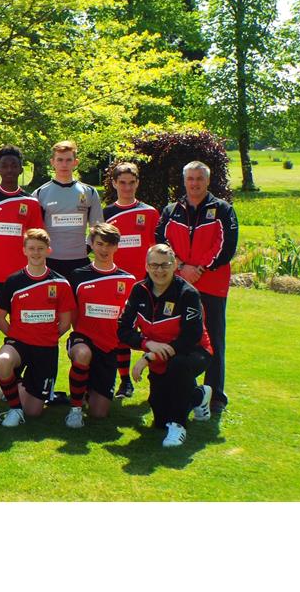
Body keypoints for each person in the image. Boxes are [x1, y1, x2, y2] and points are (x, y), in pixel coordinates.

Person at [156, 161, 238, 415]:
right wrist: (181, 266)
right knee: (178, 337)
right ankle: (183, 389)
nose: (194, 183)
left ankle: (215, 395)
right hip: (179, 283)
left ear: (208, 181)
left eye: (199, 178)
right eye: (190, 178)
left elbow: (226, 246)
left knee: (213, 339)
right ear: (184, 181)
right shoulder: (172, 210)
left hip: (212, 285)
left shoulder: (223, 209)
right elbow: (161, 241)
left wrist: (199, 268)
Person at [118, 243, 214, 448]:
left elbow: (191, 337)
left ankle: (178, 427)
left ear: (175, 265)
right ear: (146, 266)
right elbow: (123, 330)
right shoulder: (139, 290)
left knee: (178, 366)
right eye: (154, 265)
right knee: (160, 419)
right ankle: (198, 396)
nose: (159, 270)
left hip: (193, 352)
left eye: (165, 265)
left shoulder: (187, 293)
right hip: (160, 355)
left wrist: (149, 357)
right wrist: (147, 343)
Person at [0, 228, 76, 427]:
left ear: (48, 250)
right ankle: (14, 409)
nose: (36, 252)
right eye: (31, 248)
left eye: (40, 248)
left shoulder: (60, 283)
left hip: (46, 347)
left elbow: (66, 323)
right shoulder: (14, 281)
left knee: (33, 411)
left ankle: (14, 386)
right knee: (3, 361)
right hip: (19, 344)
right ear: (24, 250)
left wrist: (47, 336)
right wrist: (15, 335)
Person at [64, 223, 137, 428]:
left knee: (99, 413)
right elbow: (72, 313)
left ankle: (87, 389)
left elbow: (131, 319)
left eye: (110, 244)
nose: (104, 249)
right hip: (83, 340)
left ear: (117, 246)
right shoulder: (77, 275)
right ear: (92, 244)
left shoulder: (128, 279)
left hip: (109, 348)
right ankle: (75, 410)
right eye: (100, 244)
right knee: (82, 354)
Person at [102, 161, 160, 397]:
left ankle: (159, 382)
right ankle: (125, 380)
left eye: (131, 182)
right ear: (114, 183)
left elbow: (157, 248)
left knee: (153, 332)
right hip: (115, 282)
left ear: (138, 183)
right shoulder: (106, 214)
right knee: (120, 331)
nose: (127, 187)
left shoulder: (150, 213)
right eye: (122, 182)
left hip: (144, 283)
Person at [35, 140, 104, 279]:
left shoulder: (89, 192)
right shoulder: (40, 193)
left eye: (68, 160)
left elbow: (97, 227)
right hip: (50, 261)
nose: (64, 164)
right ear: (52, 162)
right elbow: (35, 230)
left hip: (80, 260)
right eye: (60, 160)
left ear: (75, 162)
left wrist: (88, 247)